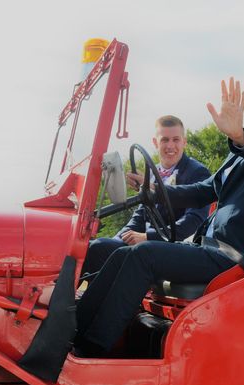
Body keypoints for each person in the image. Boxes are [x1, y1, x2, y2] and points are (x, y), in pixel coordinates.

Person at [74, 78, 244, 357]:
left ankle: (92, 350)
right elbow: (205, 190)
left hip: (232, 256)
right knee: (122, 253)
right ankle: (74, 330)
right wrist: (156, 192)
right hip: (206, 247)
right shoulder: (238, 155)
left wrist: (240, 136)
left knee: (143, 255)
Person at [81, 115, 210, 277]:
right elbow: (141, 216)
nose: (170, 146)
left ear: (184, 142)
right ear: (156, 143)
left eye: (176, 139)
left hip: (175, 248)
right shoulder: (153, 174)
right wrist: (118, 239)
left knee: (98, 249)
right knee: (88, 247)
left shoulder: (197, 172)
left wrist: (148, 237)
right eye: (164, 140)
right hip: (148, 245)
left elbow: (192, 221)